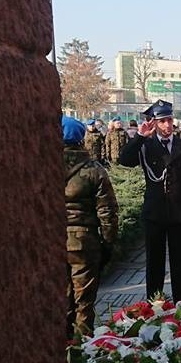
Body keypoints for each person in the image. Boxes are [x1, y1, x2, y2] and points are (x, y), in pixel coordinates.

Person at [119, 99, 181, 302]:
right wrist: (139, 136)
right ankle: (154, 306)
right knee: (154, 263)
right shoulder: (146, 145)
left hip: (179, 214)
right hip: (154, 213)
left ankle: (180, 303)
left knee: (179, 263)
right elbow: (124, 160)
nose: (167, 125)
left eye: (169, 120)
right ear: (154, 123)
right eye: (162, 121)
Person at [63, 115, 118, 337]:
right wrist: (108, 243)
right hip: (84, 243)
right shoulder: (94, 170)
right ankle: (82, 353)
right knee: (84, 304)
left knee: (62, 302)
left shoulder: (40, 167)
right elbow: (107, 211)